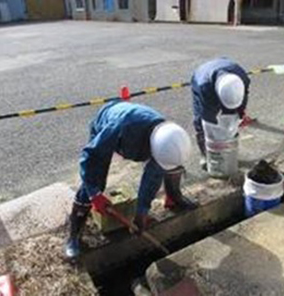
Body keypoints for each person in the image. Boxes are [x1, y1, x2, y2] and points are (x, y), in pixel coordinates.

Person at [65, 101, 196, 259]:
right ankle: (74, 236)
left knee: (164, 169)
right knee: (96, 178)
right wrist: (94, 194)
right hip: (108, 120)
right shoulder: (120, 127)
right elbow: (89, 157)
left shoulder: (168, 140)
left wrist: (141, 213)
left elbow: (151, 179)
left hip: (136, 129)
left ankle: (174, 197)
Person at [191, 57, 250, 169]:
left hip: (226, 71)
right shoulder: (204, 87)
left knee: (231, 115)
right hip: (202, 78)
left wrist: (241, 114)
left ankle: (227, 153)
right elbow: (208, 120)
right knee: (200, 121)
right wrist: (216, 141)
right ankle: (206, 154)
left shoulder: (242, 78)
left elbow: (244, 96)